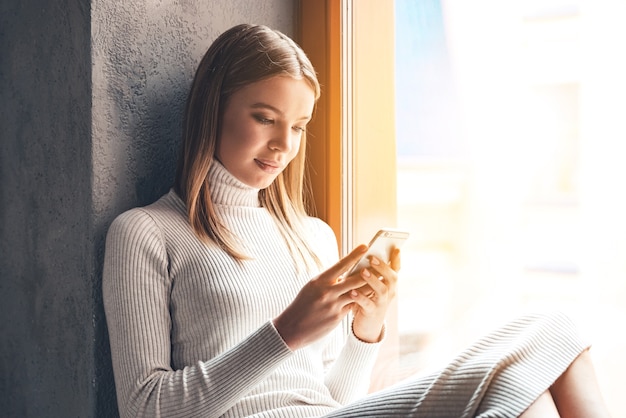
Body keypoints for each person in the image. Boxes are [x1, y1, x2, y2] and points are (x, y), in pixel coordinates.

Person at [103, 23, 611, 418]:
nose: (284, 145)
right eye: (265, 118)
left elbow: (332, 397)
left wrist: (366, 332)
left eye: (298, 126)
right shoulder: (147, 233)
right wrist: (284, 333)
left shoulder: (312, 238)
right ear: (213, 108)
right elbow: (147, 407)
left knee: (550, 339)